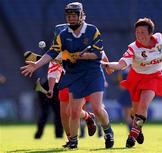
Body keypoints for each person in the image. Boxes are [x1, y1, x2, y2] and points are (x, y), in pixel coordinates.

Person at [21, 2, 114, 149]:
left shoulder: (92, 30)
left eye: (73, 16)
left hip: (93, 73)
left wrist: (81, 56)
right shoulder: (63, 34)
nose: (71, 19)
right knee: (74, 111)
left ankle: (108, 131)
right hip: (74, 75)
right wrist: (37, 64)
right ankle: (73, 141)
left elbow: (97, 53)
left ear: (81, 16)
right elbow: (52, 52)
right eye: (68, 16)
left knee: (97, 108)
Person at [102, 17, 162, 148]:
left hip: (154, 77)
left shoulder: (159, 39)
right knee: (135, 111)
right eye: (137, 32)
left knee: (143, 105)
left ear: (150, 33)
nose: (140, 35)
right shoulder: (133, 48)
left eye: (143, 32)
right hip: (136, 78)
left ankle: (132, 135)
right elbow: (121, 64)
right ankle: (139, 129)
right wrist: (107, 64)